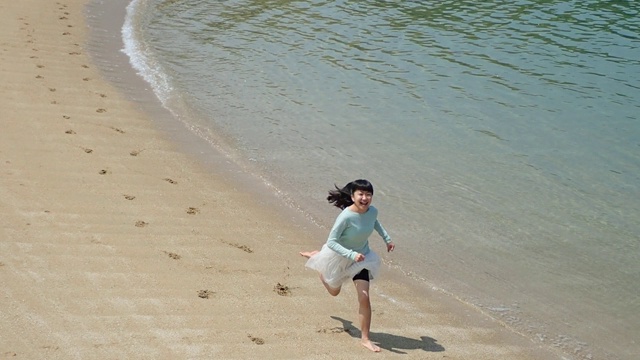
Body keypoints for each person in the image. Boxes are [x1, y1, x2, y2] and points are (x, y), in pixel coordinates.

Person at [300, 179, 395, 352]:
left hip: (363, 258)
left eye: (368, 195)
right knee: (334, 291)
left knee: (364, 296)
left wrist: (387, 239)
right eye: (361, 194)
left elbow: (375, 223)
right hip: (340, 256)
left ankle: (365, 338)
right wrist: (351, 254)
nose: (365, 198)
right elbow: (331, 242)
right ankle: (320, 265)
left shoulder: (372, 211)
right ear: (352, 196)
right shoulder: (345, 216)